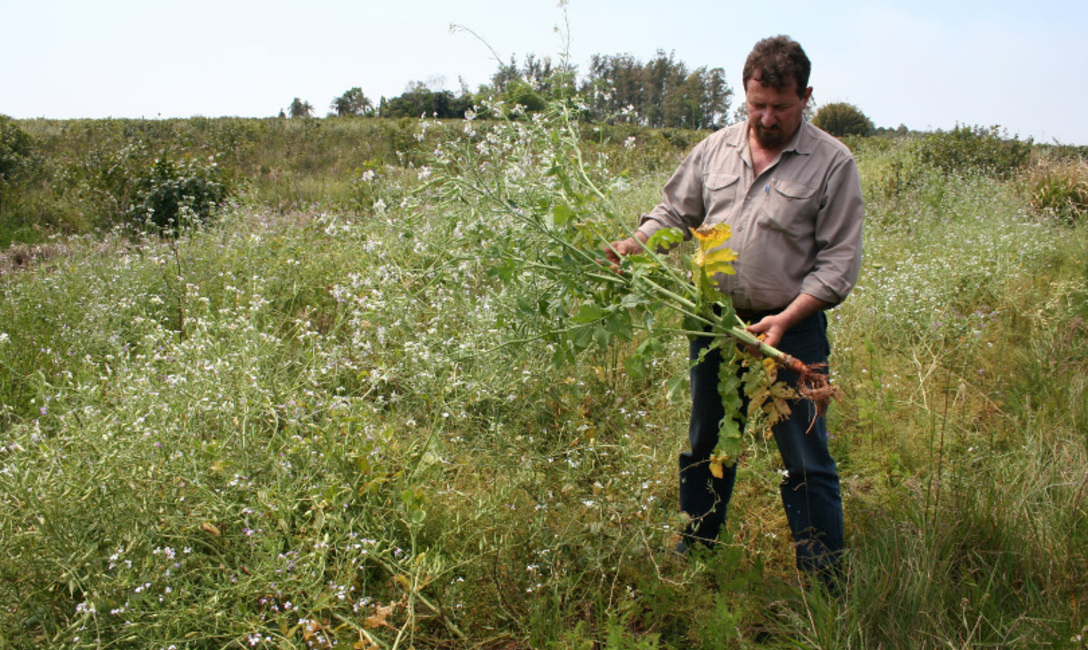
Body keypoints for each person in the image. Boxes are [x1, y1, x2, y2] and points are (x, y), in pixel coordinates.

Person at [604, 35, 863, 581]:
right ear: (745, 94)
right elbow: (674, 212)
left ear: (807, 96)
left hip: (790, 335)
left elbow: (838, 263)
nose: (767, 117)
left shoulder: (833, 164)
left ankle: (824, 580)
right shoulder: (714, 149)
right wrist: (637, 243)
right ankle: (696, 550)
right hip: (715, 326)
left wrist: (786, 319)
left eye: (782, 107)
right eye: (757, 105)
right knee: (708, 440)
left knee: (806, 458)